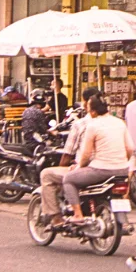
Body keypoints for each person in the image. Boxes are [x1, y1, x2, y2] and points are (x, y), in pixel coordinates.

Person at [62, 94, 133, 222]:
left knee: (68, 179)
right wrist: (122, 162)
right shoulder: (120, 123)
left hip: (101, 170)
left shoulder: (93, 125)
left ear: (94, 112)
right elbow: (130, 149)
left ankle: (78, 215)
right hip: (122, 170)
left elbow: (86, 155)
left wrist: (79, 167)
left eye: (88, 109)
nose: (88, 111)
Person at [38, 87, 100, 228]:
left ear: (86, 104)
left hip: (92, 169)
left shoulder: (83, 124)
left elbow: (71, 153)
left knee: (47, 175)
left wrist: (69, 165)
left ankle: (58, 217)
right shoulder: (115, 122)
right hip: (117, 168)